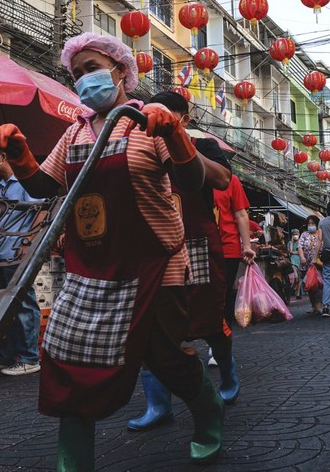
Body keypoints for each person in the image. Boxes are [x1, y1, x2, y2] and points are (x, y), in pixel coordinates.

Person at [0, 32, 223, 468]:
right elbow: (46, 186)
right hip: (91, 269)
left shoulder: (146, 122)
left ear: (120, 71)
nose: (85, 79)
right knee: (68, 360)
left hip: (156, 265)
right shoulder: (74, 133)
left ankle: (209, 413)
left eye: (93, 68)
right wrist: (21, 156)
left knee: (168, 360)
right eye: (77, 73)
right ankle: (72, 462)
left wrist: (174, 133)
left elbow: (190, 182)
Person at [127, 90, 240, 434]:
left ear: (185, 120)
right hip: (153, 244)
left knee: (207, 316)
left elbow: (223, 178)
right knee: (149, 321)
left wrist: (177, 143)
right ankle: (157, 404)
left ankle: (227, 367)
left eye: (171, 116)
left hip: (198, 241)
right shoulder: (135, 145)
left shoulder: (204, 145)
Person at [0, 145, 44, 377]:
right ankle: (3, 357)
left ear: (3, 157)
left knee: (24, 305)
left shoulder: (25, 183)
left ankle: (29, 358)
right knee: (1, 309)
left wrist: (28, 242)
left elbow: (42, 211)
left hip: (16, 253)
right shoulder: (1, 187)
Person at [214, 174, 257, 325]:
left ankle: (221, 338)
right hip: (199, 245)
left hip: (227, 247)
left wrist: (246, 246)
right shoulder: (189, 176)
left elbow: (241, 214)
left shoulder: (230, 180)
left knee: (222, 295)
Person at [298, 215, 322, 315]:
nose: (310, 225)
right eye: (309, 224)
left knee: (319, 285)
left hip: (318, 264)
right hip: (306, 265)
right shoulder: (304, 235)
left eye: (312, 223)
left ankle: (320, 305)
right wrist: (302, 257)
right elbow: (300, 247)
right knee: (310, 285)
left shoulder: (320, 234)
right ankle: (313, 306)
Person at [287, 228, 304, 300]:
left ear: (299, 234)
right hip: (292, 261)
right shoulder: (290, 243)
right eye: (294, 234)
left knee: (299, 278)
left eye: (296, 234)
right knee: (295, 277)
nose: (295, 236)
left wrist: (295, 252)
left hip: (299, 261)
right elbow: (290, 251)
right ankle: (292, 290)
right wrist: (292, 241)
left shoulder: (301, 242)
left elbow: (301, 252)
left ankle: (298, 293)